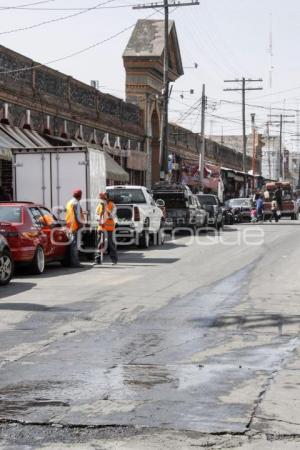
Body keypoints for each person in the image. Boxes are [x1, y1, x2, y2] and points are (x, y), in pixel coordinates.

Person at [94, 192, 118, 265]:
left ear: (106, 198)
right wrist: (98, 218)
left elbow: (112, 216)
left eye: (102, 199)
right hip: (101, 227)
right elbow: (96, 215)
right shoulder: (99, 206)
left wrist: (106, 210)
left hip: (109, 228)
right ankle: (98, 260)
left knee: (111, 244)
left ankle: (114, 260)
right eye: (100, 199)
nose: (101, 200)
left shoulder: (112, 205)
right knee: (100, 244)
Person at [65, 189, 84, 268]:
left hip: (69, 225)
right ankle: (75, 263)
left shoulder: (69, 202)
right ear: (80, 196)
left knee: (71, 245)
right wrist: (80, 224)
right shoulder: (76, 203)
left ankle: (71, 262)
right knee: (74, 245)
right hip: (75, 226)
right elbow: (77, 215)